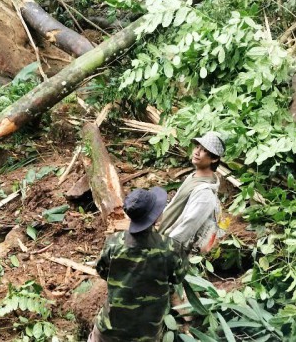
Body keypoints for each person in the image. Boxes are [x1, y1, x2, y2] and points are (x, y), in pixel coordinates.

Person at [88, 187, 187, 342]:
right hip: (147, 333)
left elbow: (102, 271)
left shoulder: (113, 243)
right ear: (155, 217)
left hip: (109, 328)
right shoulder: (170, 248)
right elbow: (177, 277)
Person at [158, 131, 225, 254]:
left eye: (204, 150)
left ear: (214, 159)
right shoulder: (193, 176)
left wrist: (165, 250)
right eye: (197, 147)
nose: (197, 152)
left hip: (171, 248)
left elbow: (188, 226)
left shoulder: (205, 193)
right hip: (162, 236)